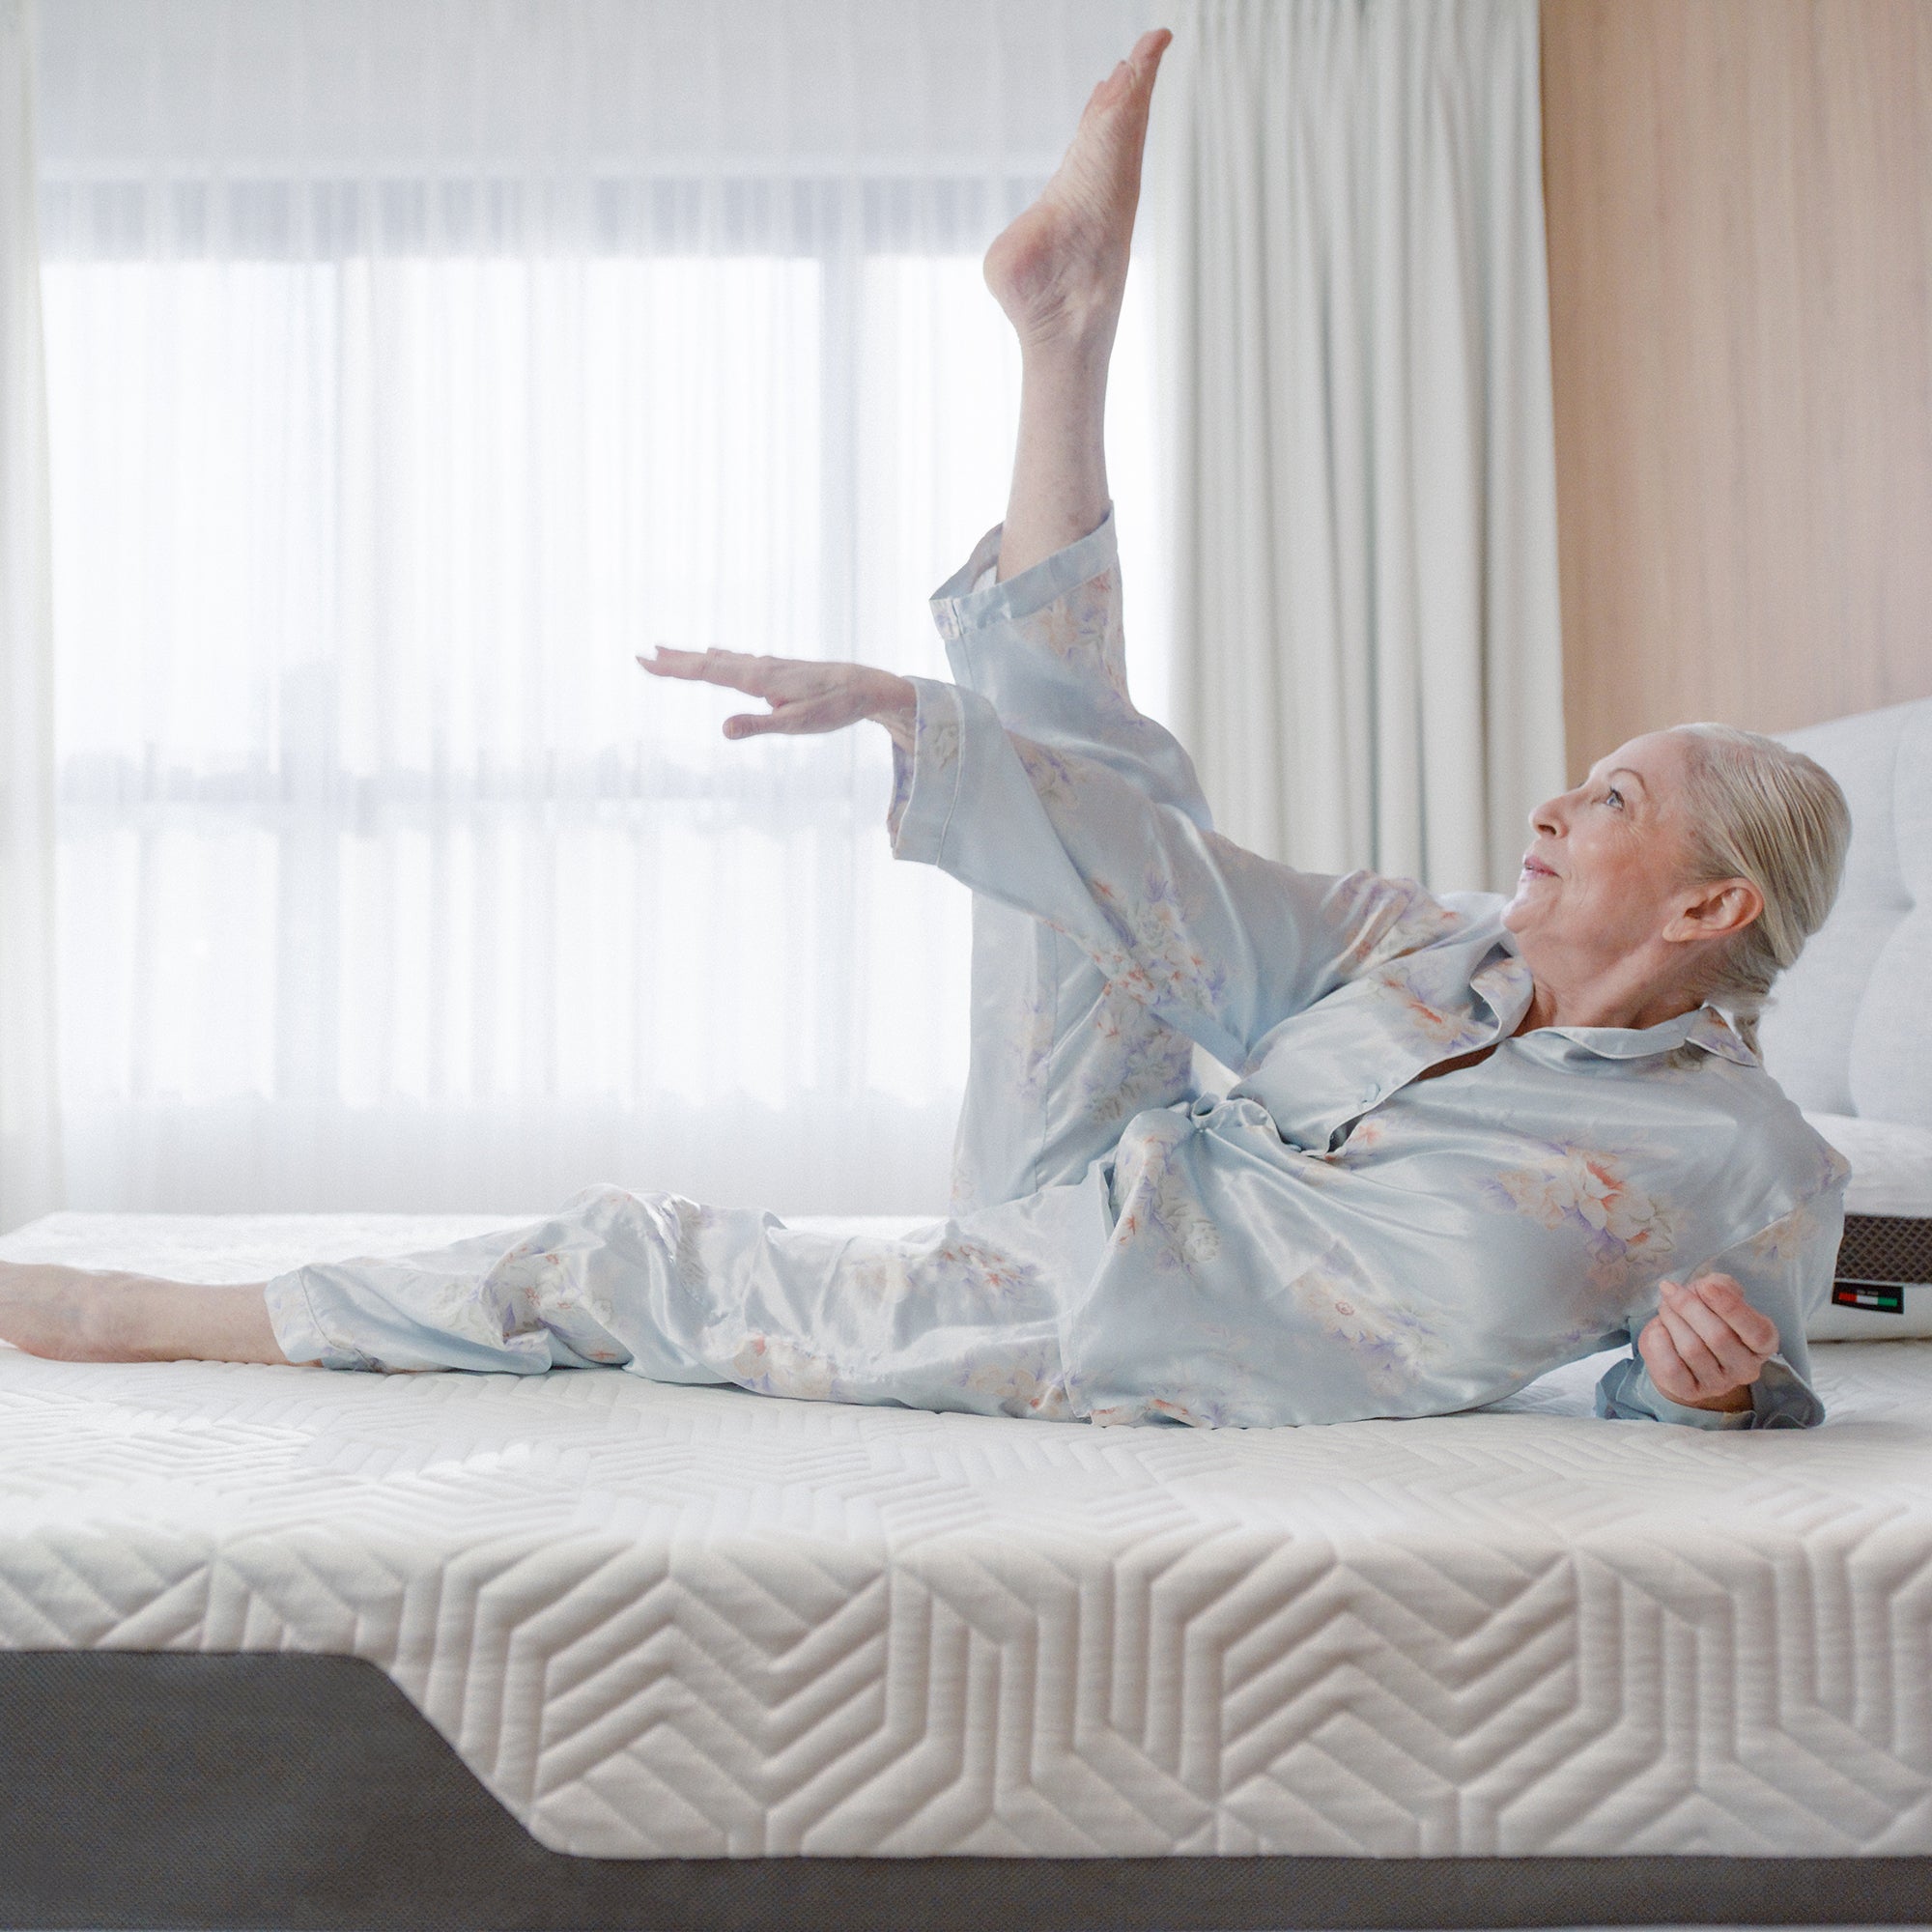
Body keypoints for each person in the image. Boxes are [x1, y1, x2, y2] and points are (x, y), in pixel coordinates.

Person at [0, 32, 1853, 1431]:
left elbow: (1734, 1390)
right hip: (1104, 1167)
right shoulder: (1418, 949)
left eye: (1609, 798)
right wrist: (915, 712)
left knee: (632, 1255)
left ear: (1707, 909)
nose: (1552, 802)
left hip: (1106, 1327)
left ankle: (157, 1320)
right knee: (1130, 810)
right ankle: (1067, 331)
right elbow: (1148, 869)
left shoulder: (1757, 1166)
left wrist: (1701, 1384)